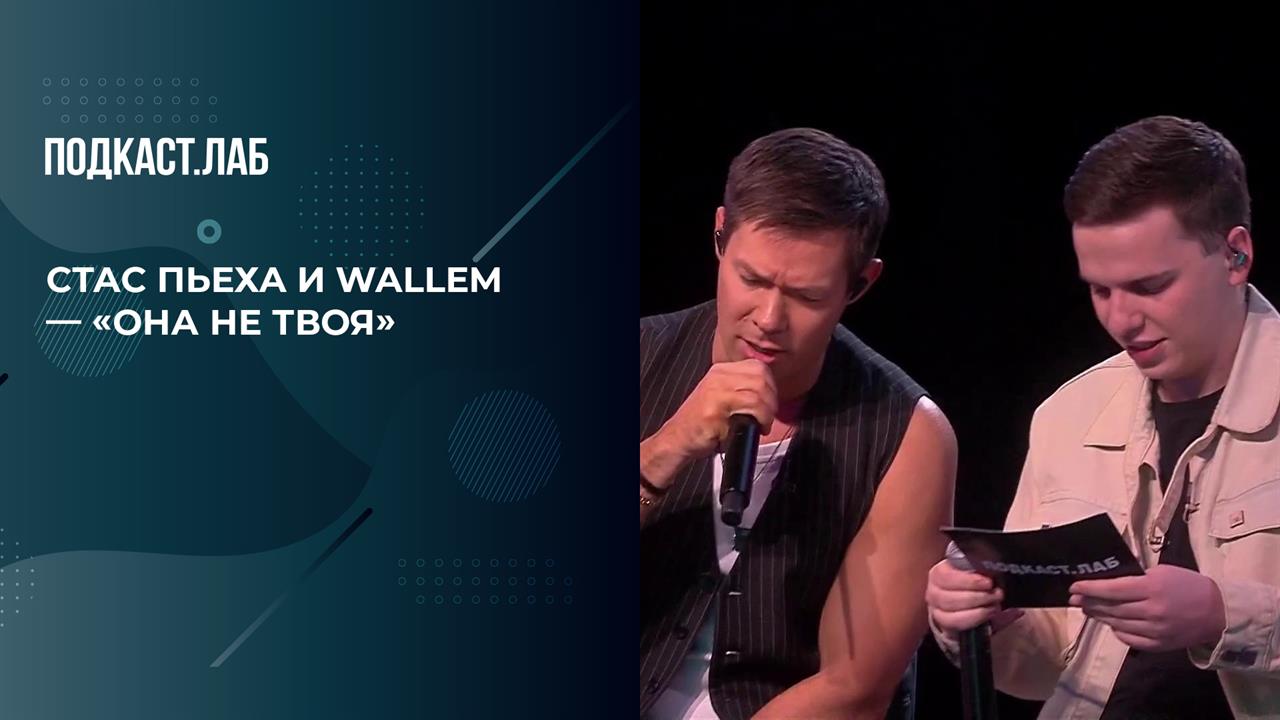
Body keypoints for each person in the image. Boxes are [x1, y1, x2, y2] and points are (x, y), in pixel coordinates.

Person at [927, 115, 1280, 719]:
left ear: (1235, 254)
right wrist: (987, 617)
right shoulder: (1068, 417)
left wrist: (1223, 616)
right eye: (1100, 290)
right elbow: (1046, 668)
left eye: (1150, 286)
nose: (1121, 320)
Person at [640, 127, 957, 719]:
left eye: (806, 297)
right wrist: (665, 449)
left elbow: (854, 687)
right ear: (719, 235)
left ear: (860, 284)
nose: (768, 318)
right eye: (752, 279)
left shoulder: (909, 435)